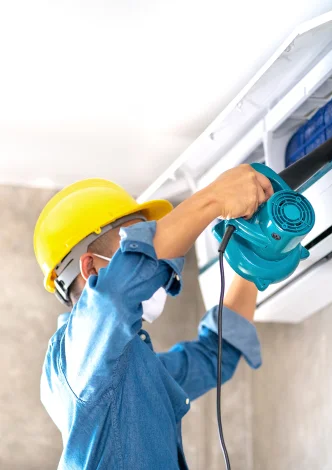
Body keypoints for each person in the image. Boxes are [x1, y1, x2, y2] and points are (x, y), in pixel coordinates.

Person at [34, 164, 273, 470]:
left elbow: (215, 356)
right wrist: (215, 198)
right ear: (90, 268)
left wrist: (256, 255)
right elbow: (113, 297)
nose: (157, 253)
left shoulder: (133, 374)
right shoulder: (71, 358)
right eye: (133, 244)